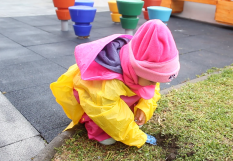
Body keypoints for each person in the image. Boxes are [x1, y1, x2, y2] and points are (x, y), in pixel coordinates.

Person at [50, 19, 180, 148]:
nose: (154, 84)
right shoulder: (108, 82)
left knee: (131, 114)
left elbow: (153, 87)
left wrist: (143, 107)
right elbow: (105, 111)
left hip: (118, 94)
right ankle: (93, 125)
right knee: (107, 138)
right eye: (152, 80)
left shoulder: (142, 73)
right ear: (137, 70)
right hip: (94, 101)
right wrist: (135, 136)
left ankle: (127, 116)